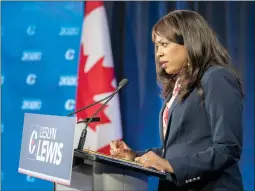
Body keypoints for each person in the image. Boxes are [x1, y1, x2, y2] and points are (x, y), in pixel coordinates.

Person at [110, 10, 244, 191]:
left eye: (164, 44)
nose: (158, 53)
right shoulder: (179, 86)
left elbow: (227, 149)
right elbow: (178, 149)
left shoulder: (216, 78)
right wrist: (135, 156)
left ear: (189, 42)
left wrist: (171, 166)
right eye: (157, 46)